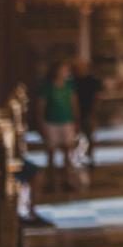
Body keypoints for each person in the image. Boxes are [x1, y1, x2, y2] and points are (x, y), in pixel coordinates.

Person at [37, 61, 80, 191]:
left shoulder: (69, 85)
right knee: (51, 152)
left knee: (68, 152)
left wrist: (76, 120)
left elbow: (74, 103)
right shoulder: (47, 87)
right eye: (64, 69)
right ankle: (51, 182)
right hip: (51, 122)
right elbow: (40, 107)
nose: (66, 72)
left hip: (66, 121)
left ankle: (67, 180)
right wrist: (40, 123)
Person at [73, 59, 102, 168]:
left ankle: (90, 158)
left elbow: (97, 97)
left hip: (88, 111)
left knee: (90, 136)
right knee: (76, 138)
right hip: (75, 113)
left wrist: (94, 111)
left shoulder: (93, 81)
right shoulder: (73, 82)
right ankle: (78, 159)